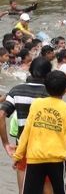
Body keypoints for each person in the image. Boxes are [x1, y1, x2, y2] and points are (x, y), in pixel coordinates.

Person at [13, 70, 66, 194]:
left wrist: (18, 155)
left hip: (35, 158)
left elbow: (27, 131)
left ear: (46, 88)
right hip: (57, 158)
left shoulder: (37, 104)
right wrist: (63, 149)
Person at [0, 57, 52, 194]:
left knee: (23, 191)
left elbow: (1, 115)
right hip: (46, 149)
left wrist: (6, 143)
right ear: (48, 74)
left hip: (22, 147)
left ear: (30, 71)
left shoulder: (16, 90)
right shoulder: (51, 92)